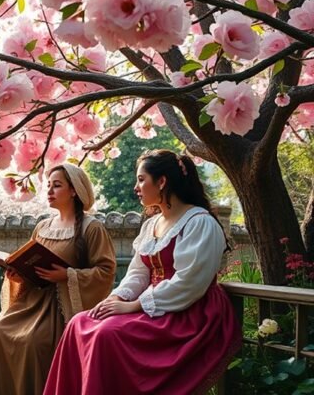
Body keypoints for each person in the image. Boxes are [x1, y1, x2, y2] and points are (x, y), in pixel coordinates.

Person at [43, 150, 242, 395]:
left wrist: (134, 305)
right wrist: (118, 298)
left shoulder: (200, 223)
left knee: (107, 334)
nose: (136, 187)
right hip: (153, 306)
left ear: (162, 181)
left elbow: (190, 283)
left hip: (187, 312)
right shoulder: (152, 224)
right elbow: (138, 273)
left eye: (141, 179)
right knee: (79, 323)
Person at [0, 163, 117, 395]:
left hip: (61, 310)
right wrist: (17, 274)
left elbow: (106, 271)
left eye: (57, 185)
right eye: (49, 185)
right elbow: (30, 262)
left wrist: (67, 276)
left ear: (74, 191)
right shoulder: (43, 227)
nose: (49, 191)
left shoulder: (92, 229)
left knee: (34, 343)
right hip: (31, 303)